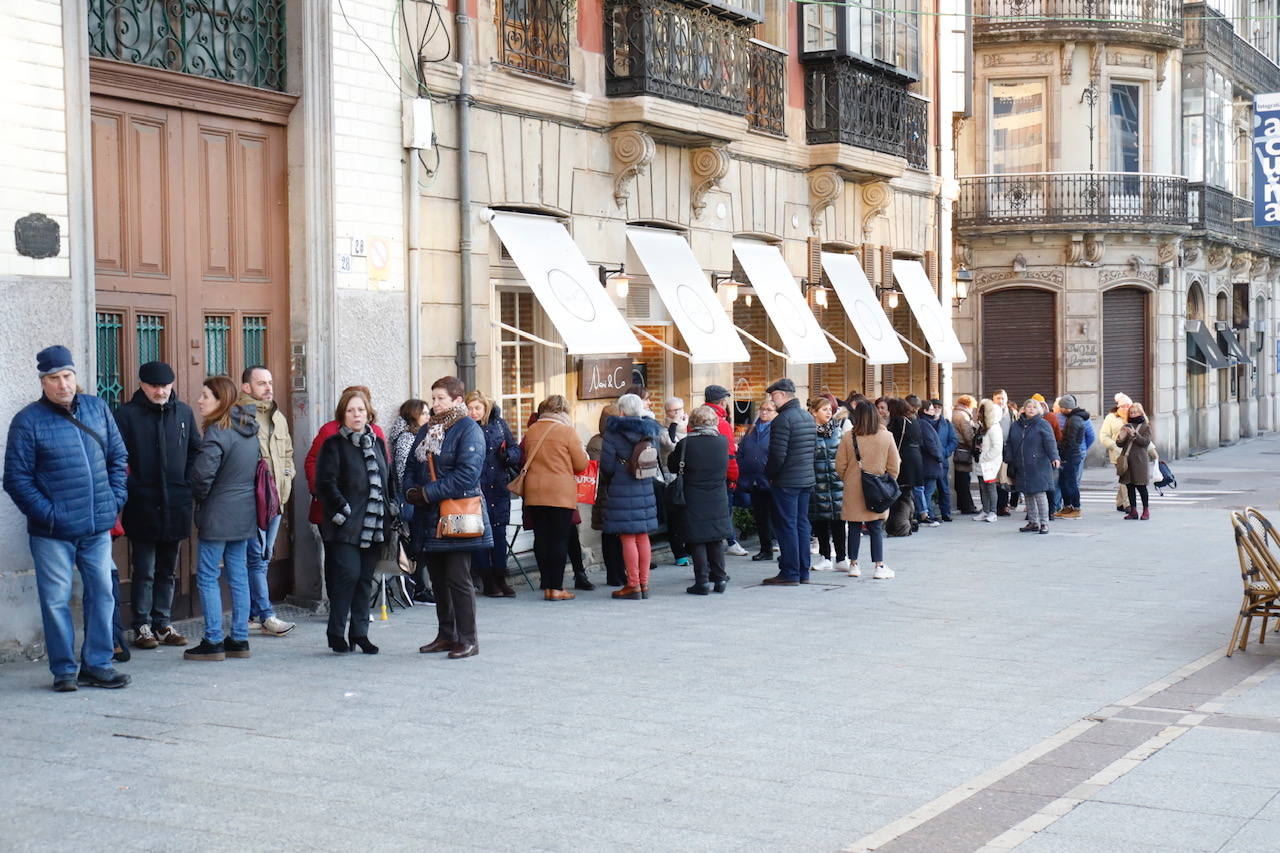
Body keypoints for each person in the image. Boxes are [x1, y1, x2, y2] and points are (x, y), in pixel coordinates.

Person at [4, 346, 130, 691]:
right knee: (56, 598)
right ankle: (63, 669)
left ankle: (98, 663)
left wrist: (115, 499)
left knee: (103, 593)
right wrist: (50, 515)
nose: (63, 384)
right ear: (43, 382)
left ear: (76, 376)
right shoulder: (28, 421)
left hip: (96, 526)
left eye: (68, 376)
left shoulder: (97, 409)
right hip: (53, 531)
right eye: (54, 378)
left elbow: (118, 458)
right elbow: (16, 479)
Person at [114, 361, 198, 650]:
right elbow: (117, 458)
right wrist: (133, 487)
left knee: (167, 569)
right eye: (154, 386)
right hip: (143, 505)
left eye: (165, 386)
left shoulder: (184, 412)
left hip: (176, 503)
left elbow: (195, 450)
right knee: (145, 569)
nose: (160, 391)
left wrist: (186, 482)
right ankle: (142, 625)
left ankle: (163, 622)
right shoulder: (126, 415)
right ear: (142, 385)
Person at [405, 376, 490, 659]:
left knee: (458, 578)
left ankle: (468, 639)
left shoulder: (468, 429)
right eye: (433, 398)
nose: (434, 404)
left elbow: (467, 474)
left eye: (440, 398)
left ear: (457, 400)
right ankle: (446, 635)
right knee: (439, 579)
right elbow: (410, 466)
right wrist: (409, 491)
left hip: (456, 515)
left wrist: (427, 493)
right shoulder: (428, 429)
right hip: (429, 517)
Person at [186, 376, 260, 662]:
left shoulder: (218, 431)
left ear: (221, 400)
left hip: (218, 513)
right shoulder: (248, 429)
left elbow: (202, 476)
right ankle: (239, 638)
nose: (200, 400)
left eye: (205, 395)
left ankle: (213, 639)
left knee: (207, 575)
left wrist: (200, 497)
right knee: (238, 574)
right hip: (243, 512)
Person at [315, 388, 392, 654]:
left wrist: (391, 507)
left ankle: (360, 633)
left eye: (360, 409)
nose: (356, 415)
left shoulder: (378, 443)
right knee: (348, 575)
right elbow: (324, 483)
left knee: (365, 579)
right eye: (350, 410)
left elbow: (386, 480)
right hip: (344, 524)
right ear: (343, 415)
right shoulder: (334, 444)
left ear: (368, 411)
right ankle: (336, 632)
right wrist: (343, 508)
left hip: (373, 525)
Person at [237, 366, 296, 637]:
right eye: (261, 383)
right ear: (246, 388)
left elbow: (288, 453)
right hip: (253, 502)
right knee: (257, 558)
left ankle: (251, 614)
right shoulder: (240, 416)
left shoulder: (277, 416)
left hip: (277, 501)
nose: (268, 388)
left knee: (264, 555)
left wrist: (287, 475)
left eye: (270, 382)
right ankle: (266, 615)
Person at [521, 395, 589, 600]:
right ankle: (556, 588)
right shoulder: (567, 431)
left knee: (541, 537)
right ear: (563, 411)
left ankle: (546, 583)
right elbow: (580, 464)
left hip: (534, 490)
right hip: (559, 492)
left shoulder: (532, 430)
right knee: (560, 539)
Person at [600, 393, 663, 599]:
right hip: (644, 485)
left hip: (621, 487)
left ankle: (632, 584)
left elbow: (607, 466)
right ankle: (644, 584)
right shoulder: (650, 430)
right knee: (643, 535)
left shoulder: (613, 433)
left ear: (621, 411)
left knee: (627, 536)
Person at [835, 400, 900, 579]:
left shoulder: (849, 436)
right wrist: (886, 481)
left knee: (854, 526)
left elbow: (839, 464)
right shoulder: (886, 436)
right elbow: (894, 466)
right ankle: (879, 566)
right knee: (876, 527)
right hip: (877, 488)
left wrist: (849, 478)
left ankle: (854, 564)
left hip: (853, 487)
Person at [466, 391, 522, 598]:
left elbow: (516, 449)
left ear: (485, 408)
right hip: (476, 488)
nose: (473, 412)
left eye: (477, 408)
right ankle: (487, 580)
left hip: (498, 486)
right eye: (470, 408)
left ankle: (501, 577)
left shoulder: (499, 425)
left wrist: (509, 456)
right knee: (480, 534)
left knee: (499, 534)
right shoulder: (465, 427)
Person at [670, 406, 732, 594]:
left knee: (697, 539)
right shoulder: (722, 442)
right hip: (718, 496)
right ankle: (720, 579)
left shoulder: (687, 444)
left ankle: (702, 582)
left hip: (694, 496)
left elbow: (673, 466)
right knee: (716, 538)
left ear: (693, 423)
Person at [762, 378, 816, 586]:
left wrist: (770, 474)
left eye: (774, 395)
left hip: (787, 481)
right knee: (802, 524)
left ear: (782, 395)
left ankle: (790, 572)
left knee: (786, 526)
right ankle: (803, 571)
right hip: (805, 479)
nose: (772, 400)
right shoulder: (806, 417)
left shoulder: (782, 420)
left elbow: (777, 455)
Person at [387, 398, 433, 604]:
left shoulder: (421, 435)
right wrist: (415, 493)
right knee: (417, 543)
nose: (428, 417)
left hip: (418, 497)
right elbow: (403, 471)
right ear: (414, 415)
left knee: (420, 542)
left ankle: (421, 586)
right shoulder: (407, 438)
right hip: (410, 498)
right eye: (424, 413)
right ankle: (419, 588)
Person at [703, 385, 747, 557]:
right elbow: (729, 454)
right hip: (721, 476)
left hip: (701, 476)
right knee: (725, 511)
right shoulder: (721, 423)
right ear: (722, 401)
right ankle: (730, 541)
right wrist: (734, 477)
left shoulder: (696, 418)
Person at [1005, 399, 1060, 534]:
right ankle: (1033, 522)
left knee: (1039, 493)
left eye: (1034, 407)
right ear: (1023, 409)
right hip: (1021, 464)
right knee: (1027, 493)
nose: (1031, 409)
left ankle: (1044, 523)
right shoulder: (1016, 425)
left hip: (1038, 464)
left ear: (1039, 410)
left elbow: (1050, 442)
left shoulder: (1043, 424)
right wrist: (1008, 459)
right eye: (1028, 406)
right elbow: (1010, 443)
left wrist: (1055, 457)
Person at [587, 404, 626, 586]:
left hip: (621, 494)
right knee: (609, 535)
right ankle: (613, 573)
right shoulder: (597, 442)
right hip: (606, 494)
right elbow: (599, 472)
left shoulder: (622, 439)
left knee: (621, 537)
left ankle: (621, 571)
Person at [808, 396, 847, 571]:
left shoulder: (838, 431)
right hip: (817, 482)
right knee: (821, 522)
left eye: (830, 409)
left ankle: (841, 557)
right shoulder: (808, 432)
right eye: (824, 409)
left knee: (839, 520)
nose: (828, 412)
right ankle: (825, 556)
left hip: (837, 481)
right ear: (814, 412)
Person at [736, 399, 776, 561]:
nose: (764, 412)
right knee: (760, 517)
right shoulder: (752, 429)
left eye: (768, 410)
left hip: (771, 480)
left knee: (778, 516)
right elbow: (743, 449)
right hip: (753, 480)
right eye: (762, 409)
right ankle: (765, 549)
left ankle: (783, 548)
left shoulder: (778, 428)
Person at [885, 398, 923, 536]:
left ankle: (900, 527)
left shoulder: (899, 421)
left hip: (904, 461)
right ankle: (910, 522)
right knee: (907, 493)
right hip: (915, 460)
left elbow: (895, 444)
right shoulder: (913, 420)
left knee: (900, 495)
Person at [661, 396, 691, 568]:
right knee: (675, 519)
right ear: (667, 412)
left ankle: (690, 549)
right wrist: (674, 424)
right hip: (671, 480)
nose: (678, 413)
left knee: (688, 517)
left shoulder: (689, 427)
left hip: (689, 479)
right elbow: (670, 444)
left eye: (680, 409)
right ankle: (679, 554)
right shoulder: (663, 429)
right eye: (674, 410)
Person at [1052, 394, 1091, 519]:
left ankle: (1076, 508)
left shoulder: (1074, 420)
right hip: (1071, 455)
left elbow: (1071, 442)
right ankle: (1068, 506)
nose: (1059, 409)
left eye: (1061, 407)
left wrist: (1064, 456)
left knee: (1071, 482)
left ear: (1065, 407)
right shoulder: (1074, 418)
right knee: (1065, 482)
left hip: (1071, 456)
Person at [920, 399, 956, 522]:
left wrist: (945, 453)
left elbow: (953, 440)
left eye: (938, 407)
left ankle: (946, 512)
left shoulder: (946, 423)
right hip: (930, 461)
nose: (936, 409)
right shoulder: (925, 423)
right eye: (933, 407)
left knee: (944, 488)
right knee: (929, 490)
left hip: (942, 460)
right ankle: (930, 514)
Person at [911, 397, 945, 529]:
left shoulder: (924, 423)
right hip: (930, 464)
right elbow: (930, 444)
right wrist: (939, 457)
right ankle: (924, 514)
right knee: (927, 491)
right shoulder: (924, 424)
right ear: (925, 410)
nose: (934, 411)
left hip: (929, 464)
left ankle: (925, 513)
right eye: (931, 409)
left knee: (926, 491)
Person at [1117, 402, 1155, 520]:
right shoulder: (1127, 425)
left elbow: (1145, 442)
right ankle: (1133, 511)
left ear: (1140, 412)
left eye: (1135, 412)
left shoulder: (1146, 426)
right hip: (1127, 459)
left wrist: (1135, 434)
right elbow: (1120, 444)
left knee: (1141, 486)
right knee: (1129, 486)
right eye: (1131, 412)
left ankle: (1146, 511)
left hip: (1139, 460)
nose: (1133, 414)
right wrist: (1121, 436)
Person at [1099, 393, 1134, 513]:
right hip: (1118, 455)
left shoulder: (1134, 416)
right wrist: (1114, 446)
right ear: (1118, 407)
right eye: (1123, 406)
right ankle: (1127, 504)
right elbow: (1103, 436)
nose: (1126, 408)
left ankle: (1119, 503)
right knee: (1125, 478)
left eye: (1128, 405)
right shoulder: (1111, 418)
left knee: (1129, 478)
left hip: (1134, 454)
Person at [974, 398, 1006, 522]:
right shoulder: (983, 428)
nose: (979, 414)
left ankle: (993, 511)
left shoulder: (994, 428)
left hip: (989, 463)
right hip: (982, 462)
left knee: (990, 487)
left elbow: (997, 447)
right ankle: (985, 510)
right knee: (983, 487)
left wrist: (985, 458)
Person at [951, 395, 979, 515]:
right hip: (963, 451)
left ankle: (962, 504)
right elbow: (968, 435)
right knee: (964, 480)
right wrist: (975, 445)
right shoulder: (963, 416)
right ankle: (967, 506)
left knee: (960, 480)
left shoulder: (955, 413)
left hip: (957, 450)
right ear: (968, 405)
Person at [991, 389, 1016, 516]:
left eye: (1003, 398)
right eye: (998, 398)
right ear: (993, 399)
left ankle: (1003, 506)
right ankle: (992, 506)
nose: (1001, 401)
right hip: (992, 449)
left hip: (1007, 448)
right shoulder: (989, 412)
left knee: (1004, 479)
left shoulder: (1011, 413)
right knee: (992, 479)